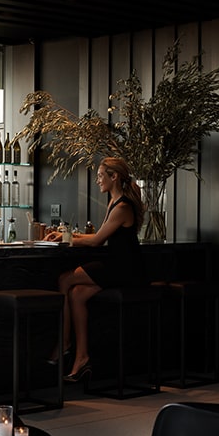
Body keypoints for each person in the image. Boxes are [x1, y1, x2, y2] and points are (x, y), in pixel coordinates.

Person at [44, 157, 147, 382]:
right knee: (77, 294)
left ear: (114, 177)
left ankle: (64, 341)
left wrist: (67, 238)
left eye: (101, 176)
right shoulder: (114, 201)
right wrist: (66, 236)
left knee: (65, 279)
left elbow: (96, 242)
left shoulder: (122, 206)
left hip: (125, 269)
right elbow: (99, 235)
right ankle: (82, 357)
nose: (98, 180)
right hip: (118, 265)